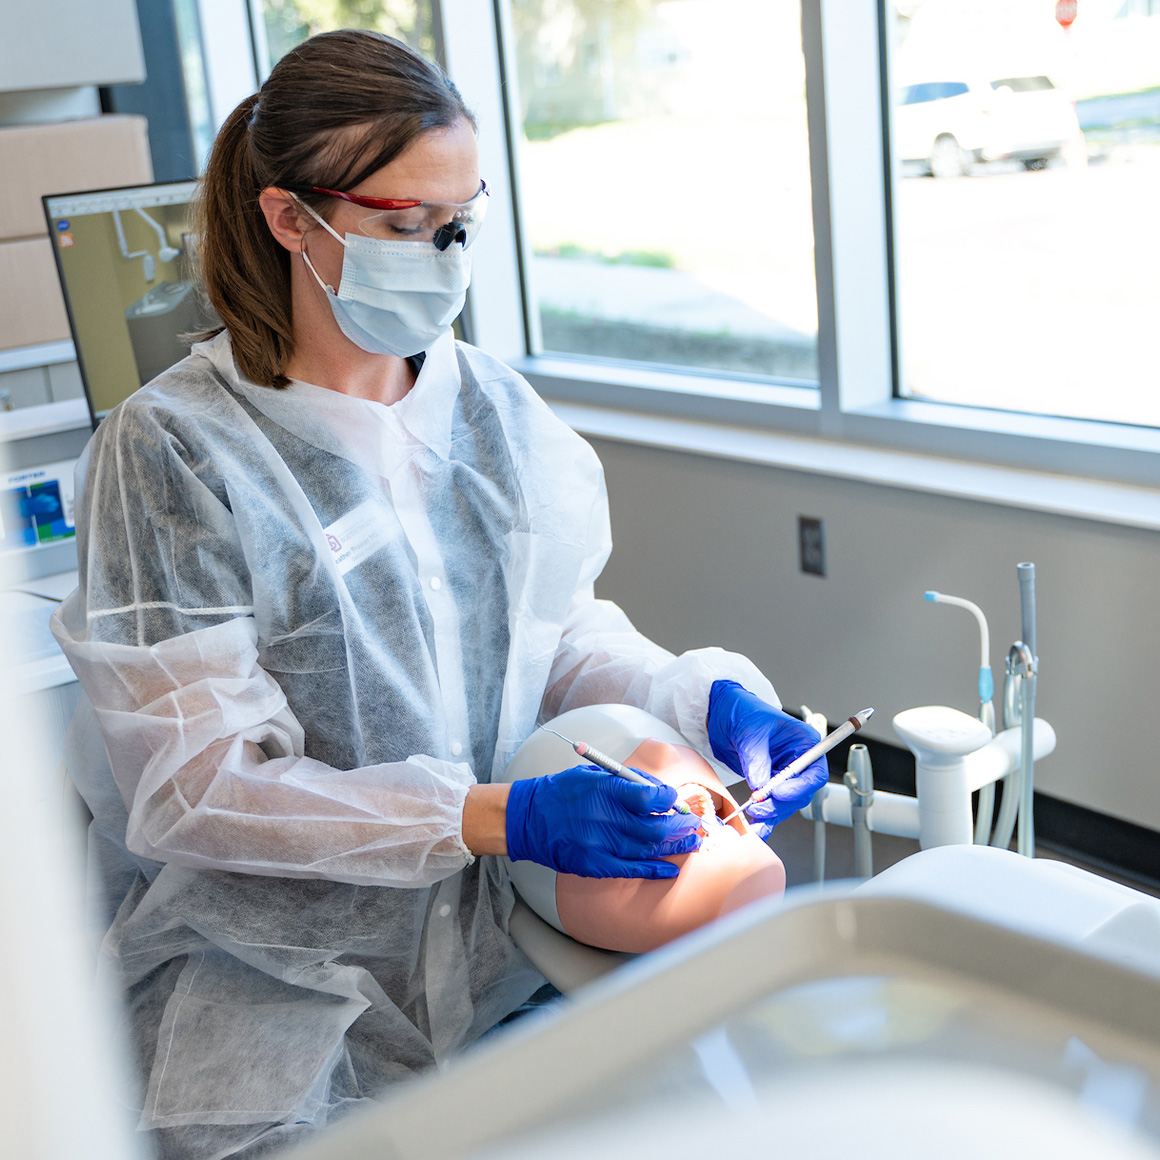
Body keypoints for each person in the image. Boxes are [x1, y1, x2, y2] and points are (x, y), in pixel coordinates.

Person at [52, 29, 827, 1160]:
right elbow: (195, 789)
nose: (440, 254)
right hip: (273, 994)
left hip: (490, 954)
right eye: (403, 227)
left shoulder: (490, 413)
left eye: (456, 223)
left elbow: (549, 638)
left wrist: (690, 694)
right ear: (289, 218)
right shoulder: (171, 451)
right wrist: (488, 814)